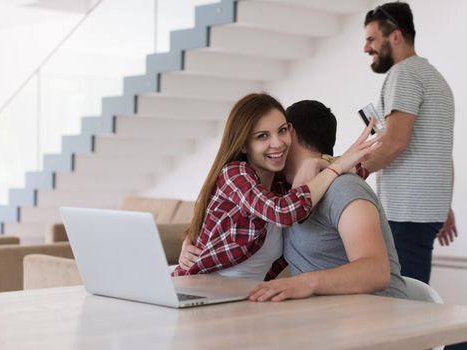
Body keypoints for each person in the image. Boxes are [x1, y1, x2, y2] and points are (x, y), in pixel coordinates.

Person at [171, 93, 378, 279]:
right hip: (197, 290)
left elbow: (357, 169)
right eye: (263, 136)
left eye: (282, 131)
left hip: (241, 301)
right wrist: (335, 167)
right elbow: (282, 212)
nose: (278, 143)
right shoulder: (235, 174)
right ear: (243, 144)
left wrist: (317, 162)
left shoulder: (282, 186)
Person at [248, 100, 407, 301]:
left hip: (377, 318)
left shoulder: (344, 187)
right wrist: (195, 246)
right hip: (325, 318)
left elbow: (375, 272)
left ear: (291, 132)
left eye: (280, 132)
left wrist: (305, 282)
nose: (274, 144)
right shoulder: (286, 198)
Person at [362, 2, 456, 284]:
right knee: (413, 294)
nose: (366, 48)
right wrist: (443, 205)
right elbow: (440, 152)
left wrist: (345, 171)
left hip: (406, 213)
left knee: (405, 303)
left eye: (371, 39)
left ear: (396, 36)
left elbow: (394, 143)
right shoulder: (435, 79)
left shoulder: (404, 74)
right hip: (424, 211)